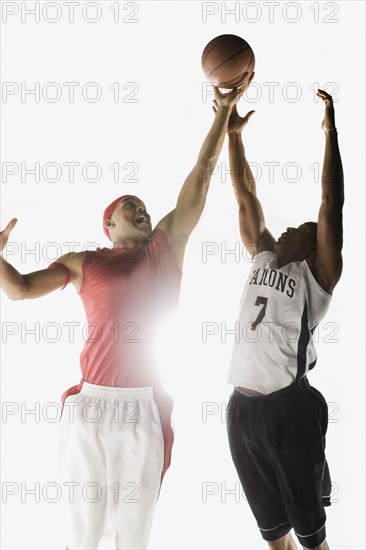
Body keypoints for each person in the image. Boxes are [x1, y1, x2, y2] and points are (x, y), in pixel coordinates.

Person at [0, 79, 249, 550]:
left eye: (144, 206)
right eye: (128, 205)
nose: (141, 208)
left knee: (132, 539)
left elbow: (201, 173)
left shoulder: (164, 246)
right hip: (90, 407)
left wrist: (221, 116)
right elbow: (18, 290)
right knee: (84, 534)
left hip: (141, 408)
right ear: (109, 223)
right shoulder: (83, 262)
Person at [220, 89, 343, 550]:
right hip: (241, 413)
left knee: (312, 540)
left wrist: (331, 133)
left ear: (315, 247)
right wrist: (233, 135)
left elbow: (332, 203)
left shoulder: (318, 278)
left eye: (304, 230)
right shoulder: (263, 256)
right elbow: (244, 191)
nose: (293, 227)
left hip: (289, 411)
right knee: (275, 538)